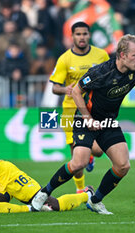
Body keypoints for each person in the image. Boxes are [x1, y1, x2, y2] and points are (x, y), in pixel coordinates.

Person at [32, 34, 135, 215]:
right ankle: (44, 193)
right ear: (122, 55)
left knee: (123, 165)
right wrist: (88, 118)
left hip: (108, 122)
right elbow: (77, 92)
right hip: (84, 119)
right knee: (79, 161)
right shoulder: (101, 72)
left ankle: (95, 201)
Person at [49, 21, 109, 193]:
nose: (82, 37)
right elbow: (54, 87)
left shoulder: (101, 55)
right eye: (78, 34)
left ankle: (90, 155)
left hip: (94, 109)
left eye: (84, 34)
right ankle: (80, 189)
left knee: (98, 150)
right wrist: (64, 89)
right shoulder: (65, 59)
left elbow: (109, 75)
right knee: (76, 154)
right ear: (72, 36)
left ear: (89, 35)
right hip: (71, 112)